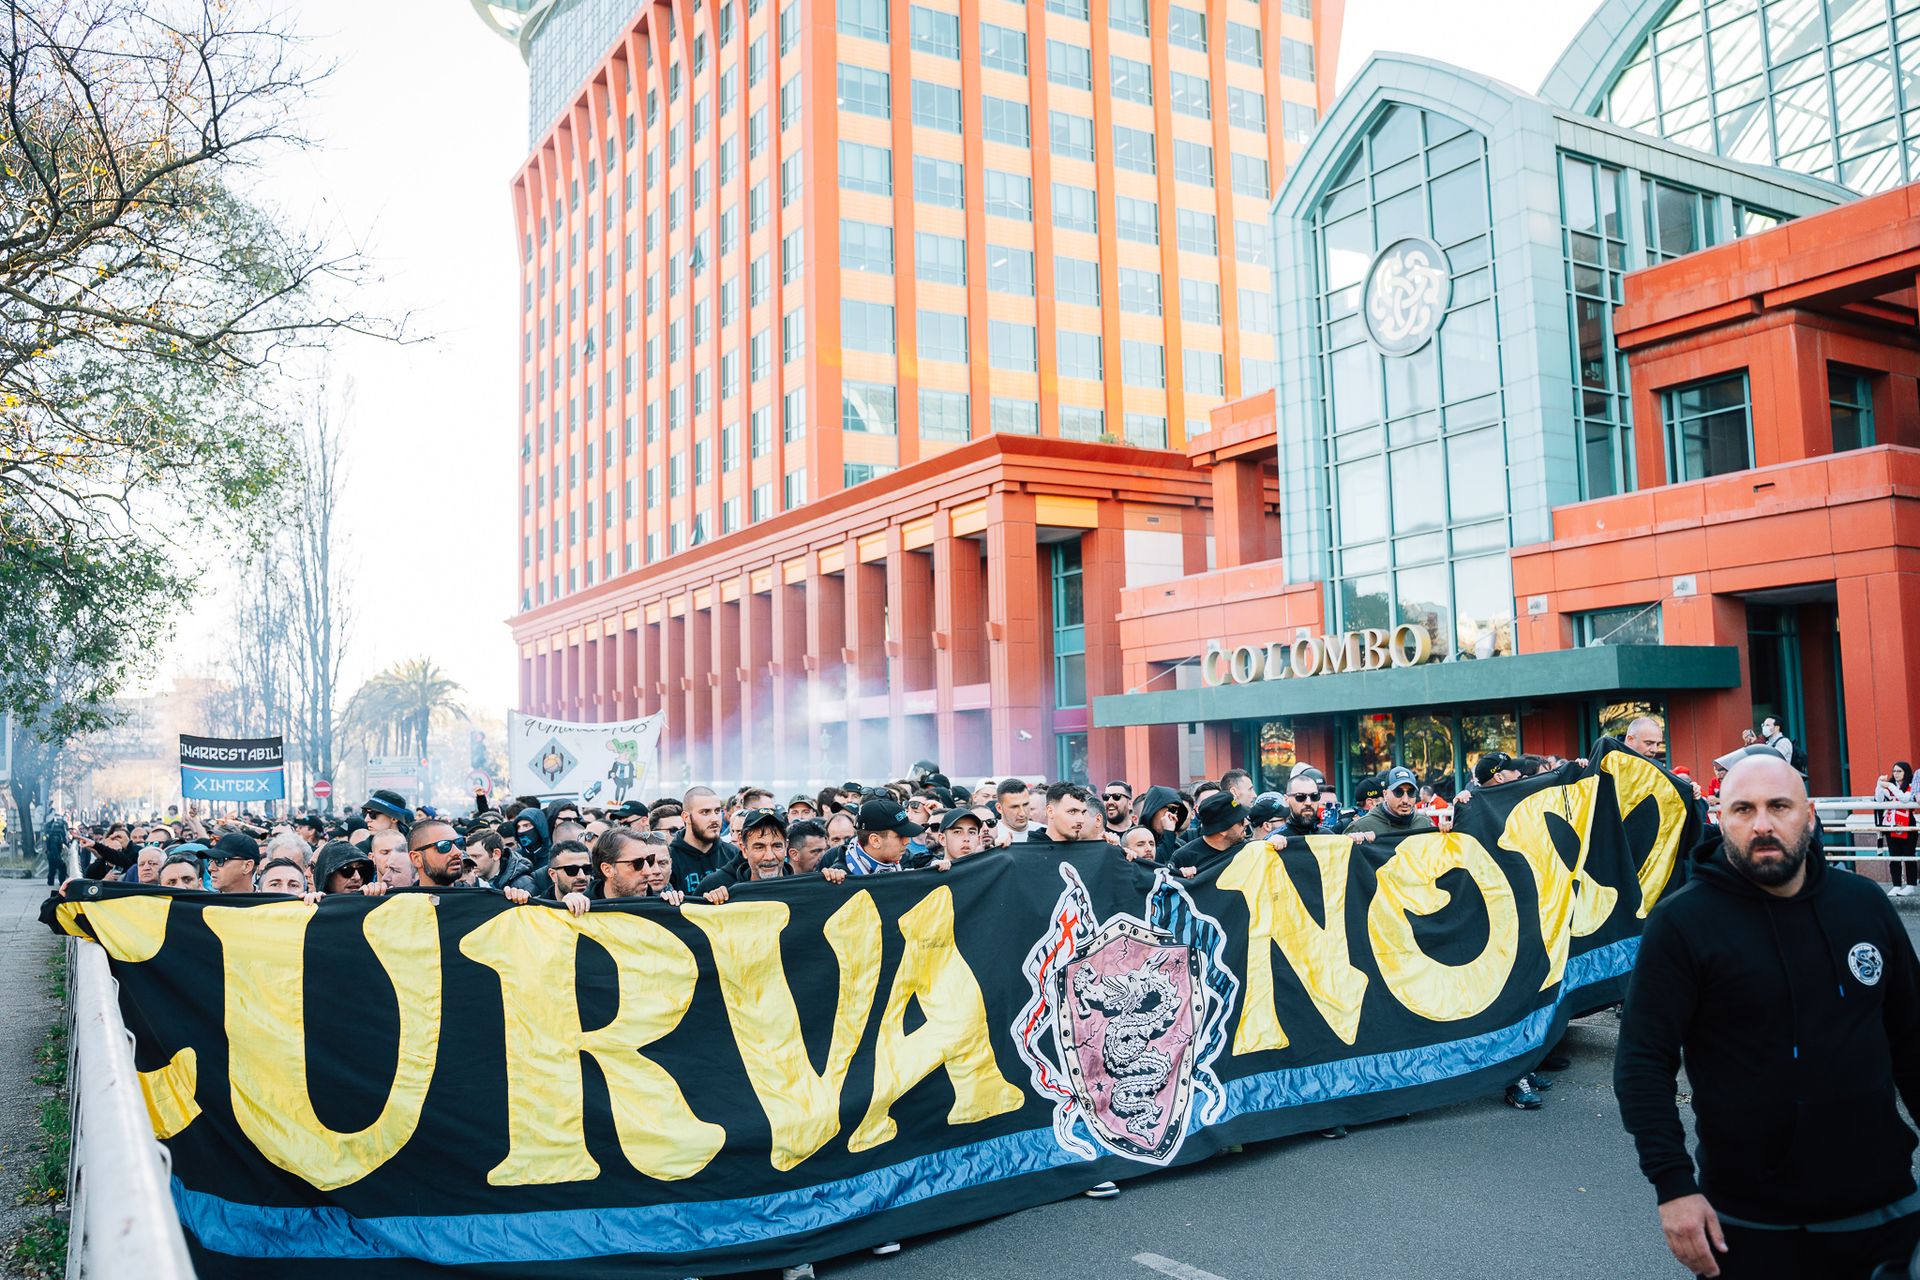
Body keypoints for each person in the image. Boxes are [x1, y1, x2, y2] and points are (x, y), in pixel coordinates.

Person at [1616, 754, 1920, 1279]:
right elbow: (1643, 1063)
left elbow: (1913, 1042)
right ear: (1719, 818)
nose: (1762, 824)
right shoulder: (1683, 923)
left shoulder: (1864, 904)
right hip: (1747, 1224)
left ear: (1810, 815)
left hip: (1884, 1210)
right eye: (1743, 809)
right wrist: (1673, 1187)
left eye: (1779, 806)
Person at [668, 786, 736, 893]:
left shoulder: (734, 854)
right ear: (686, 817)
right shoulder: (669, 859)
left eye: (717, 811)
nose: (714, 819)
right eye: (705, 812)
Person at [1344, 766, 1435, 839]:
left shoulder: (1425, 824)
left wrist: (1445, 832)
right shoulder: (1361, 827)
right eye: (1398, 792)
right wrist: (1351, 841)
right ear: (1385, 794)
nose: (1405, 800)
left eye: (1411, 792)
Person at [1877, 762, 1917, 897]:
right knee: (1894, 856)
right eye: (1894, 771)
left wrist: (1891, 786)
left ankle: (1911, 885)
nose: (1896, 774)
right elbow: (1879, 800)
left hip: (1906, 823)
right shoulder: (1890, 786)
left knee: (1908, 855)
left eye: (1899, 771)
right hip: (1891, 824)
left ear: (1906, 772)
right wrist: (1879, 784)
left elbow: (1905, 799)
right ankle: (1896, 885)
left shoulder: (1912, 785)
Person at [1028, 782, 1096, 846]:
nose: (1081, 820)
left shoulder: (1088, 848)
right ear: (1050, 811)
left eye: (1083, 812)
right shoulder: (1030, 851)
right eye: (1072, 812)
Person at [1137, 786, 1191, 863]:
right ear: (1154, 808)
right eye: (1172, 809)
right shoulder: (1134, 840)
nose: (1173, 816)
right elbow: (1156, 866)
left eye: (1177, 812)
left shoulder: (1179, 845)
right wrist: (1168, 833)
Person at [407, 820, 467, 889]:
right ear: (416, 858)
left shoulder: (477, 898)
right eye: (444, 846)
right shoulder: (401, 899)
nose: (458, 852)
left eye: (459, 843)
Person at [314, 841, 384, 897]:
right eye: (347, 870)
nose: (357, 877)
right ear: (327, 876)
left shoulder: (374, 901)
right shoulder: (313, 908)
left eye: (362, 870)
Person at [994, 779, 1034, 844]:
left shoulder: (1044, 832)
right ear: (999, 808)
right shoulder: (989, 836)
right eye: (1014, 807)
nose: (1022, 813)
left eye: (1025, 804)